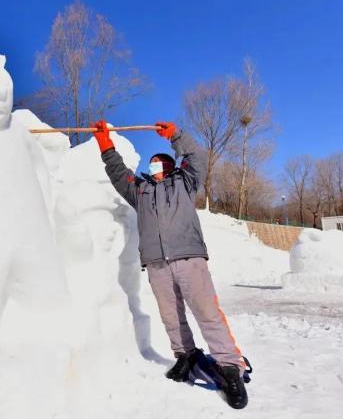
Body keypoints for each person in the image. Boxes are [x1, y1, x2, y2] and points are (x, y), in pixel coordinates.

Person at [92, 119, 248, 410]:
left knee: (206, 312)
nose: (156, 166)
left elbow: (196, 157)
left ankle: (230, 366)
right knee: (171, 316)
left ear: (171, 166)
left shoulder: (184, 183)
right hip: (156, 264)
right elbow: (117, 174)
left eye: (160, 162)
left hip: (188, 257)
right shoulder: (140, 191)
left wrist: (176, 136)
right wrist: (106, 145)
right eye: (152, 164)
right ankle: (186, 355)